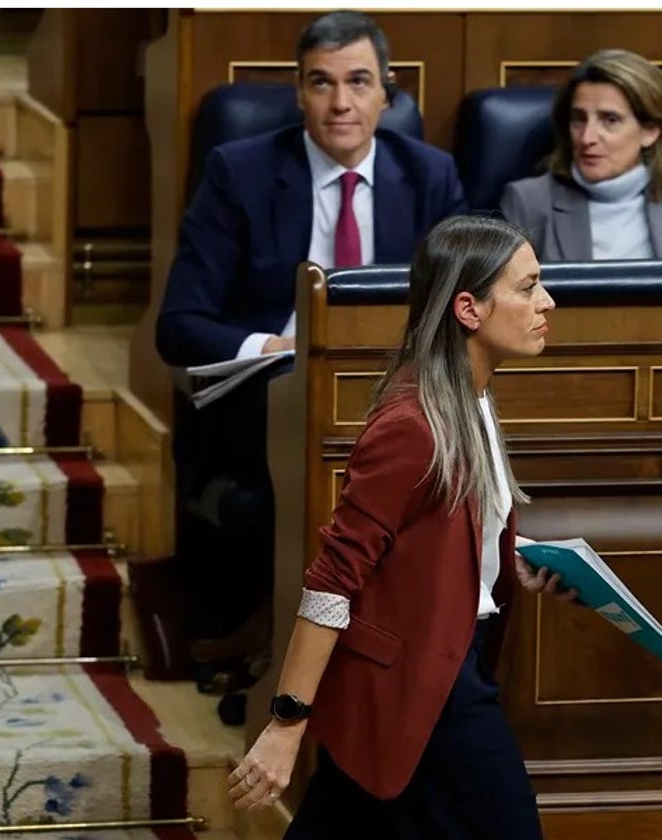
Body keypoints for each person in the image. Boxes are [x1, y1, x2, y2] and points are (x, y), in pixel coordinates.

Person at [227, 215, 578, 840]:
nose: (545, 302)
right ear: (468, 308)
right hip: (425, 681)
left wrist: (513, 554)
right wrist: (286, 724)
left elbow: (436, 536)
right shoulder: (411, 426)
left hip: (438, 667)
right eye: (527, 288)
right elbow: (332, 581)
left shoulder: (472, 397)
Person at [152, 10, 467, 698]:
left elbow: (462, 307)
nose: (341, 103)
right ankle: (318, 661)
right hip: (270, 404)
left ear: (389, 91)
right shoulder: (240, 172)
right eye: (320, 84)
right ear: (297, 93)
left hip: (394, 401)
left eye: (358, 82)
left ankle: (366, 660)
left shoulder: (432, 176)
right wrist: (273, 347)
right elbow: (178, 326)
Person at [500, 49, 662, 261]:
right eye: (579, 119)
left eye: (610, 120)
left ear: (650, 131)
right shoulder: (529, 202)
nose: (587, 137)